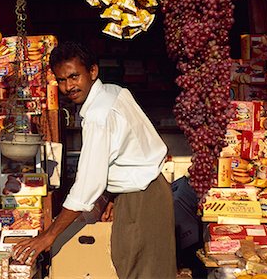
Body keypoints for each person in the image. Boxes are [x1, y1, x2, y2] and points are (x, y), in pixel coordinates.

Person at [12, 41, 176, 278]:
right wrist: (111, 195)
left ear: (93, 71)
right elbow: (122, 153)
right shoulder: (113, 91)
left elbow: (88, 185)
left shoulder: (99, 114)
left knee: (139, 271)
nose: (68, 86)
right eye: (61, 80)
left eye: (74, 76)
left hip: (141, 199)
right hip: (148, 191)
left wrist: (48, 235)